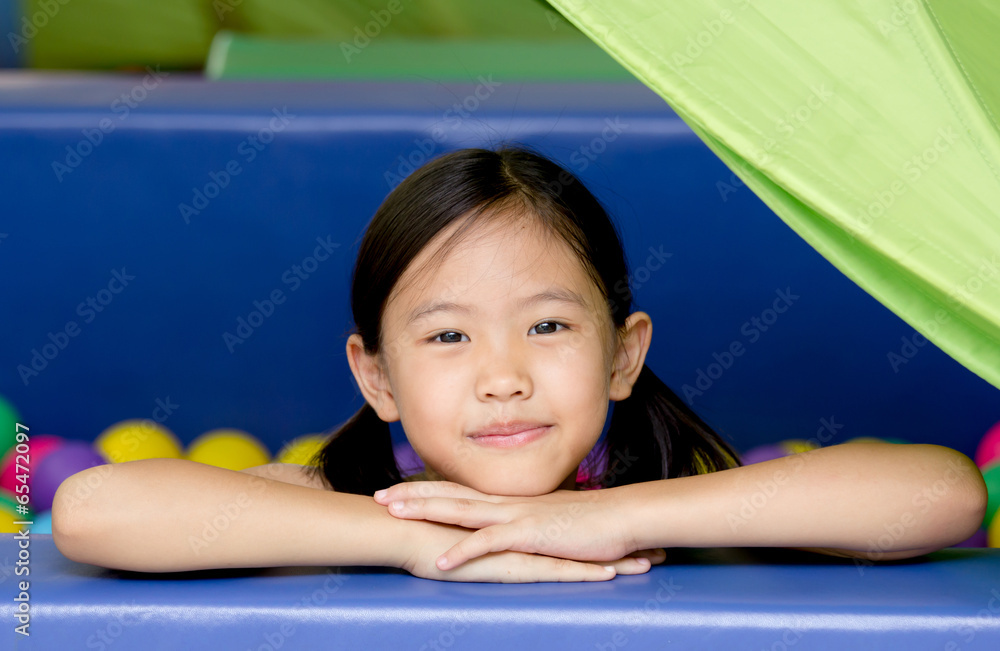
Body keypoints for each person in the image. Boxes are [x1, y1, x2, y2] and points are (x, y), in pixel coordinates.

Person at [52, 146, 988, 583]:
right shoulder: (351, 498)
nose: (503, 375)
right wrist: (427, 541)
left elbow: (944, 493)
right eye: (448, 337)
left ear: (624, 355)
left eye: (546, 327)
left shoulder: (689, 498)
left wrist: (605, 518)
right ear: (376, 378)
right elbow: (91, 509)